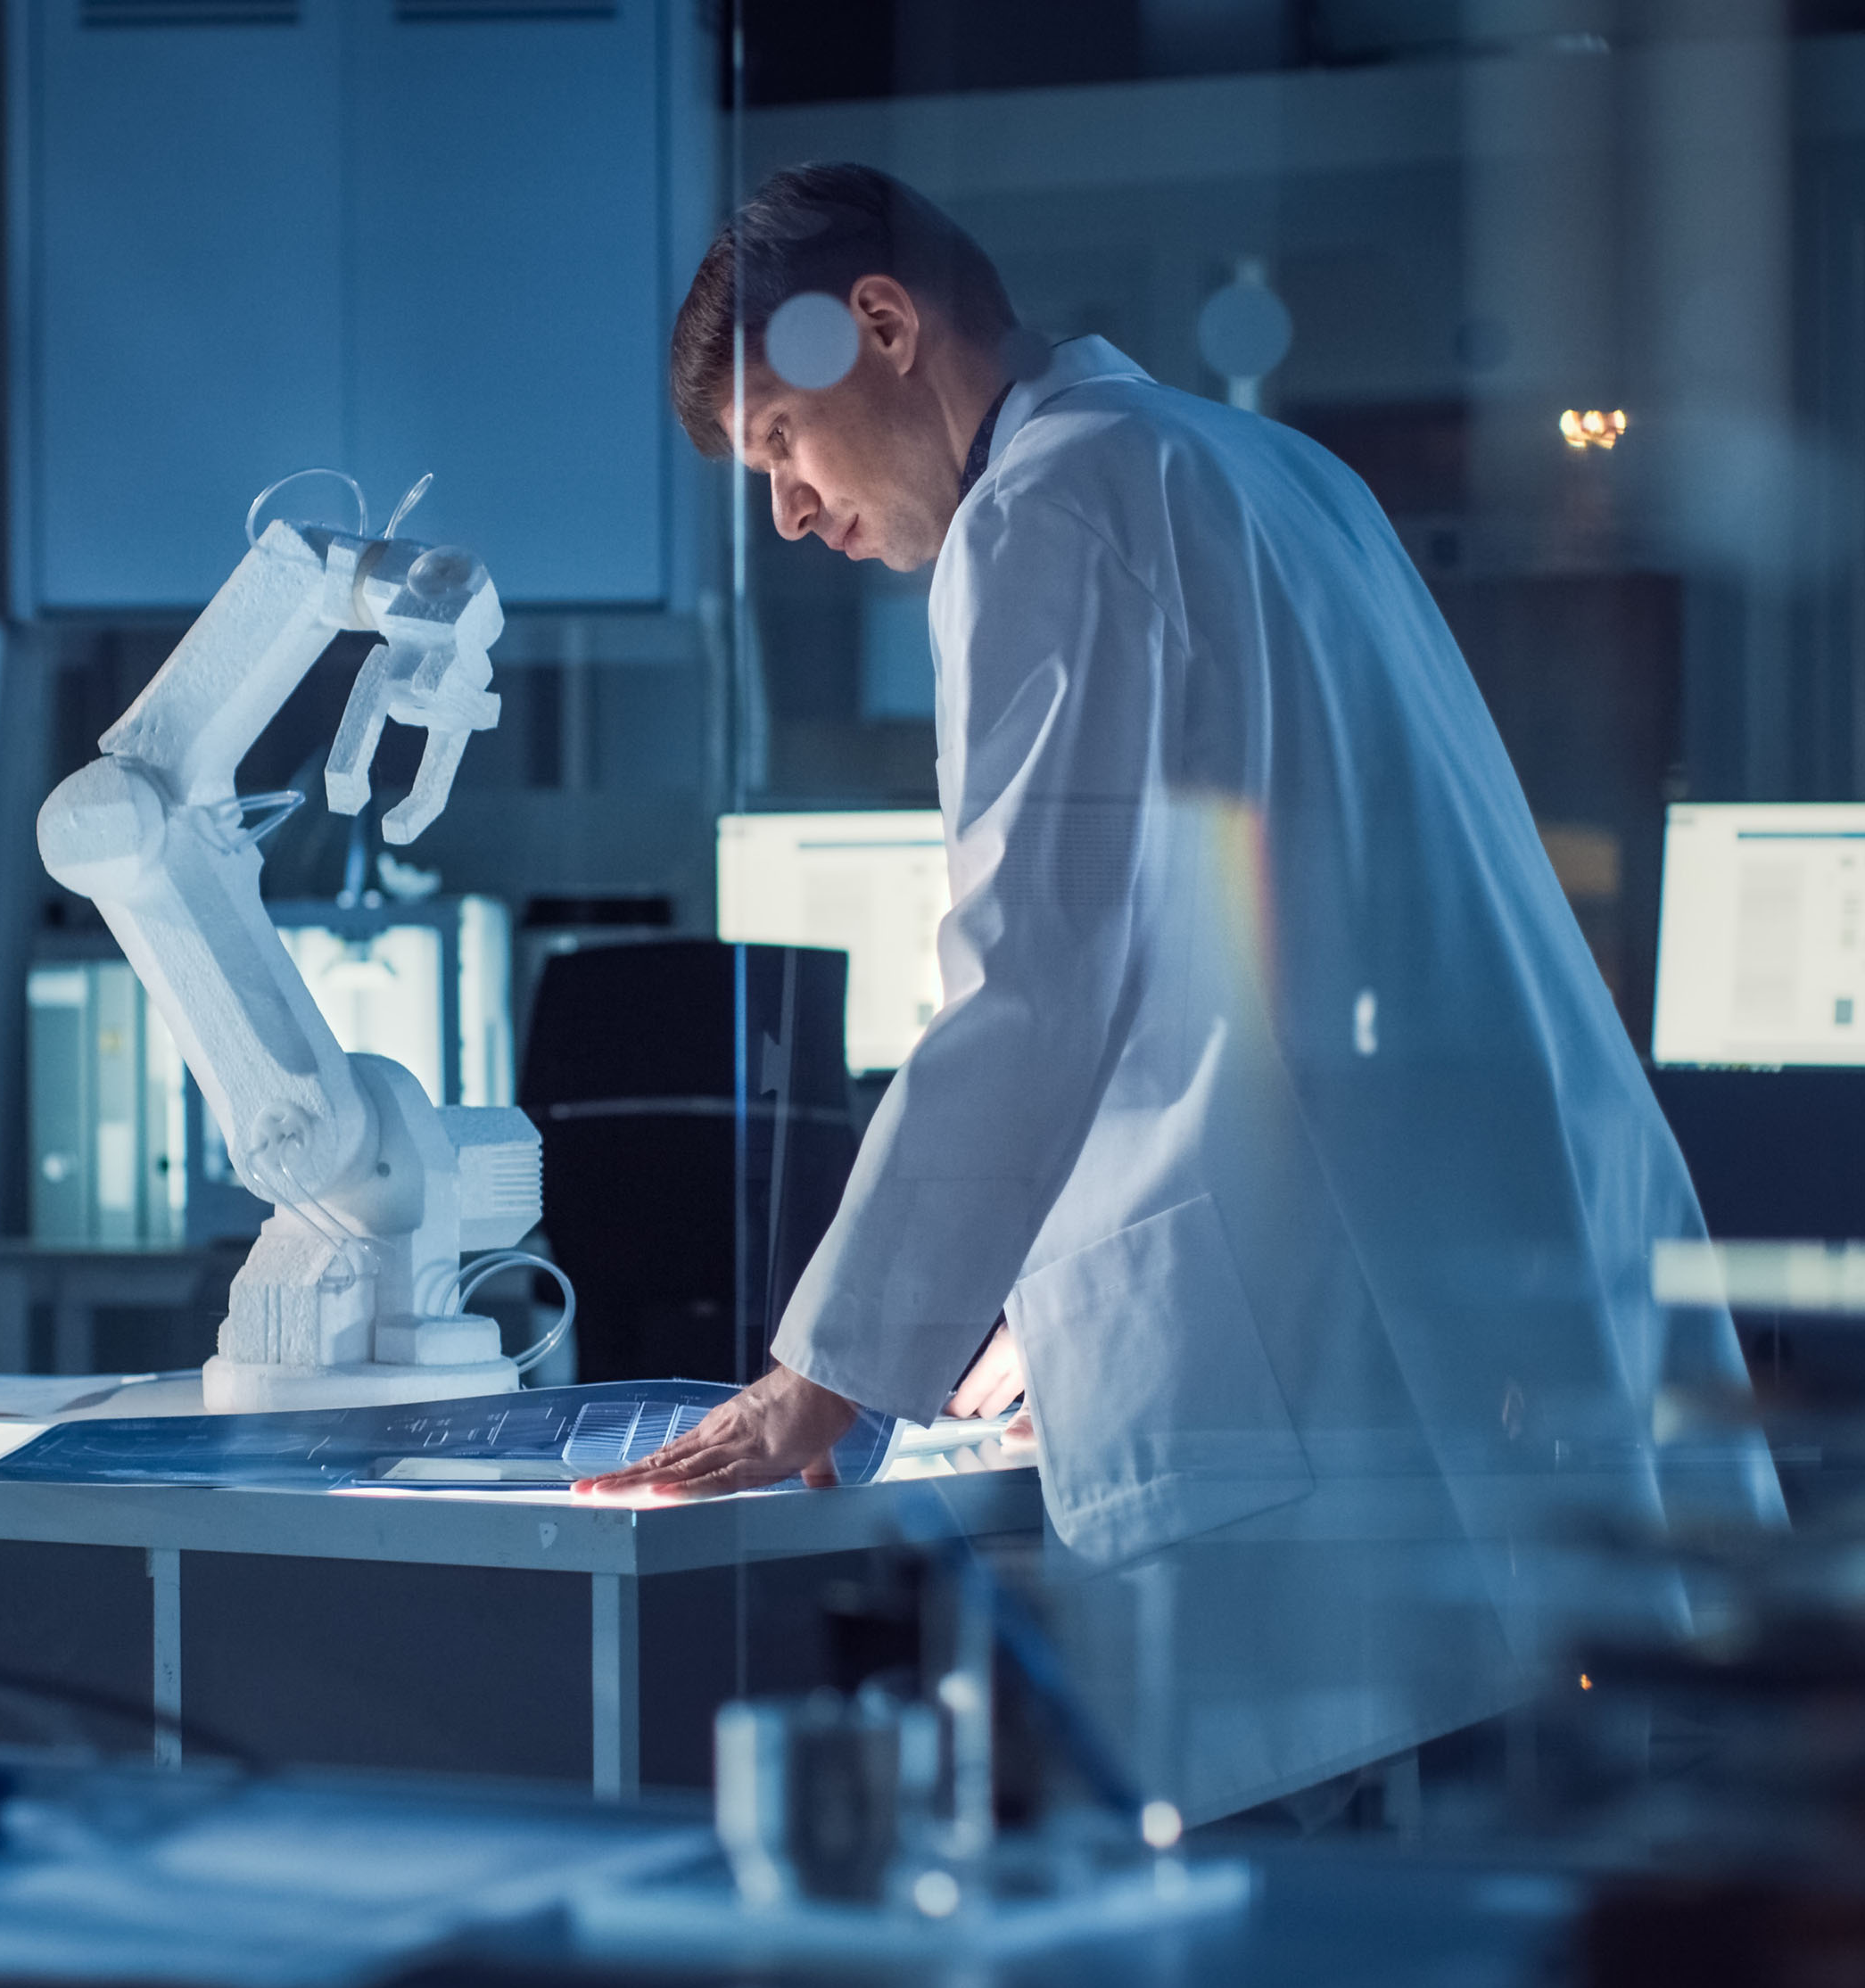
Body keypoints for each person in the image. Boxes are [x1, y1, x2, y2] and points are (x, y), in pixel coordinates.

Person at [576, 163, 1774, 1827]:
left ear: (881, 324)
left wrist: (827, 1374)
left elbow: (1035, 980)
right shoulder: (1266, 467)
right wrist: (1034, 1291)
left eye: (779, 441)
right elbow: (1236, 944)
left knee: (1338, 1963)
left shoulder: (1053, 505)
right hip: (1472, 1287)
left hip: (1324, 1365)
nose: (785, 511)